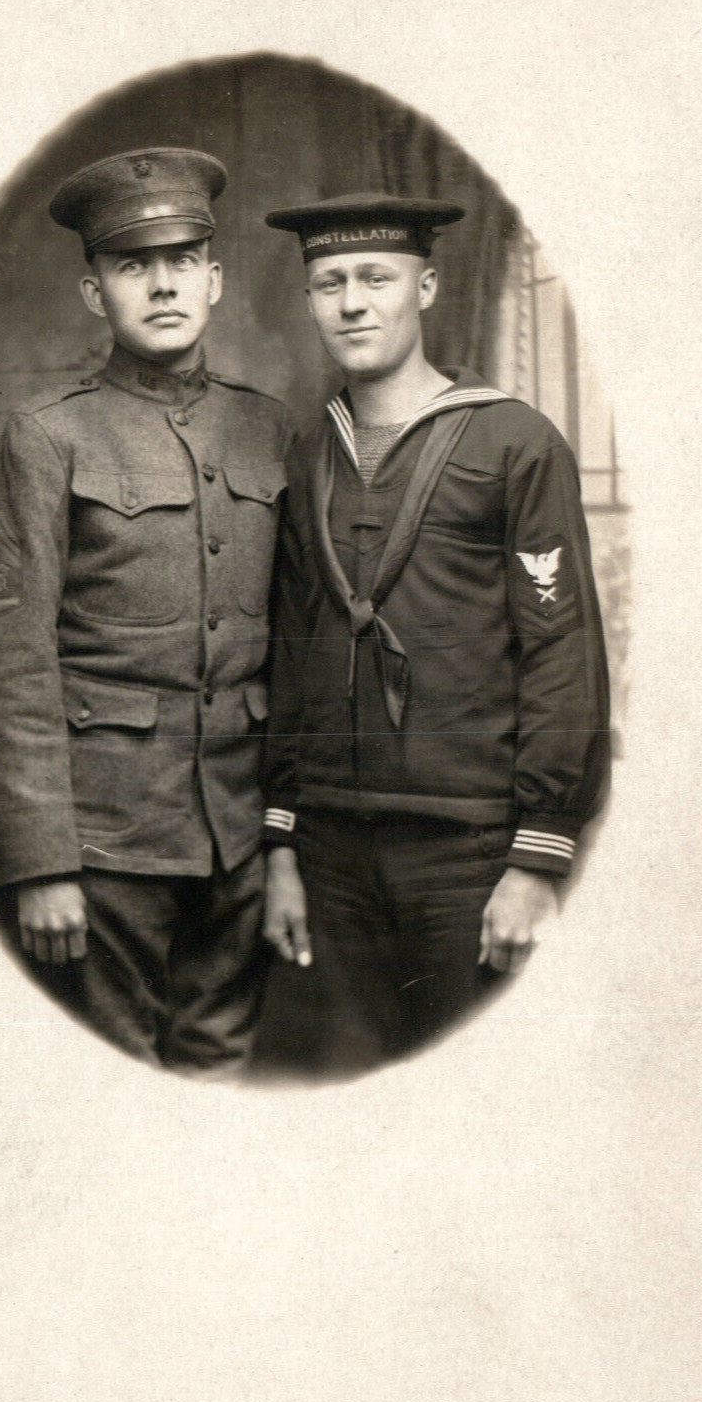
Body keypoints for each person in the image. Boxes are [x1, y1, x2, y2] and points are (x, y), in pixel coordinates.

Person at [256, 193, 610, 1076]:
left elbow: (563, 654)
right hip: (331, 854)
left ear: (428, 285)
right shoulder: (305, 455)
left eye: (376, 277)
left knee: (480, 1104)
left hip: (471, 852)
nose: (352, 302)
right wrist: (283, 848)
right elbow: (293, 656)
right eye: (328, 282)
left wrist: (537, 860)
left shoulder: (515, 442)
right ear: (308, 300)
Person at [0, 147, 295, 1074]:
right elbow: (10, 662)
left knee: (219, 1072)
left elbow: (294, 647)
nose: (162, 284)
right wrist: (41, 863)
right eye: (132, 265)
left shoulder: (268, 427)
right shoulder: (48, 437)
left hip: (236, 833)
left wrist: (282, 838)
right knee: (111, 1089)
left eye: (182, 259)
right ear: (93, 293)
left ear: (215, 278)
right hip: (105, 842)